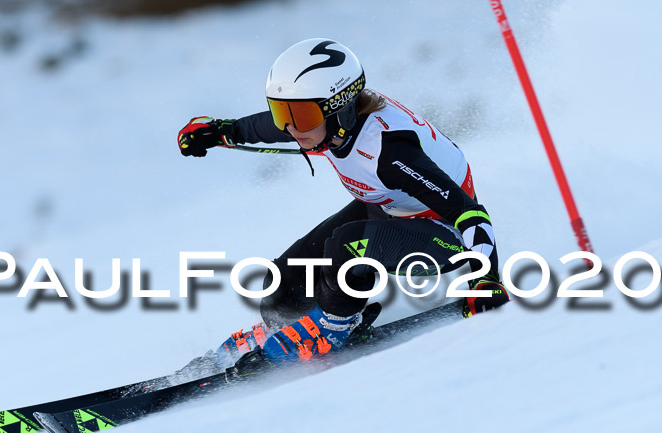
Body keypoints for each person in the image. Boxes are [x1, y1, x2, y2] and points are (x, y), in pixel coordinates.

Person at [177, 38, 509, 367]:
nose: (291, 128)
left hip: (444, 234)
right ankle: (289, 324)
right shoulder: (327, 125)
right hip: (391, 209)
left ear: (341, 108)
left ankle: (332, 327)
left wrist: (486, 278)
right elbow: (275, 126)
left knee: (346, 246)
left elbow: (469, 212)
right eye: (284, 112)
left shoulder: (388, 152)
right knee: (284, 279)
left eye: (301, 116)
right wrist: (222, 132)